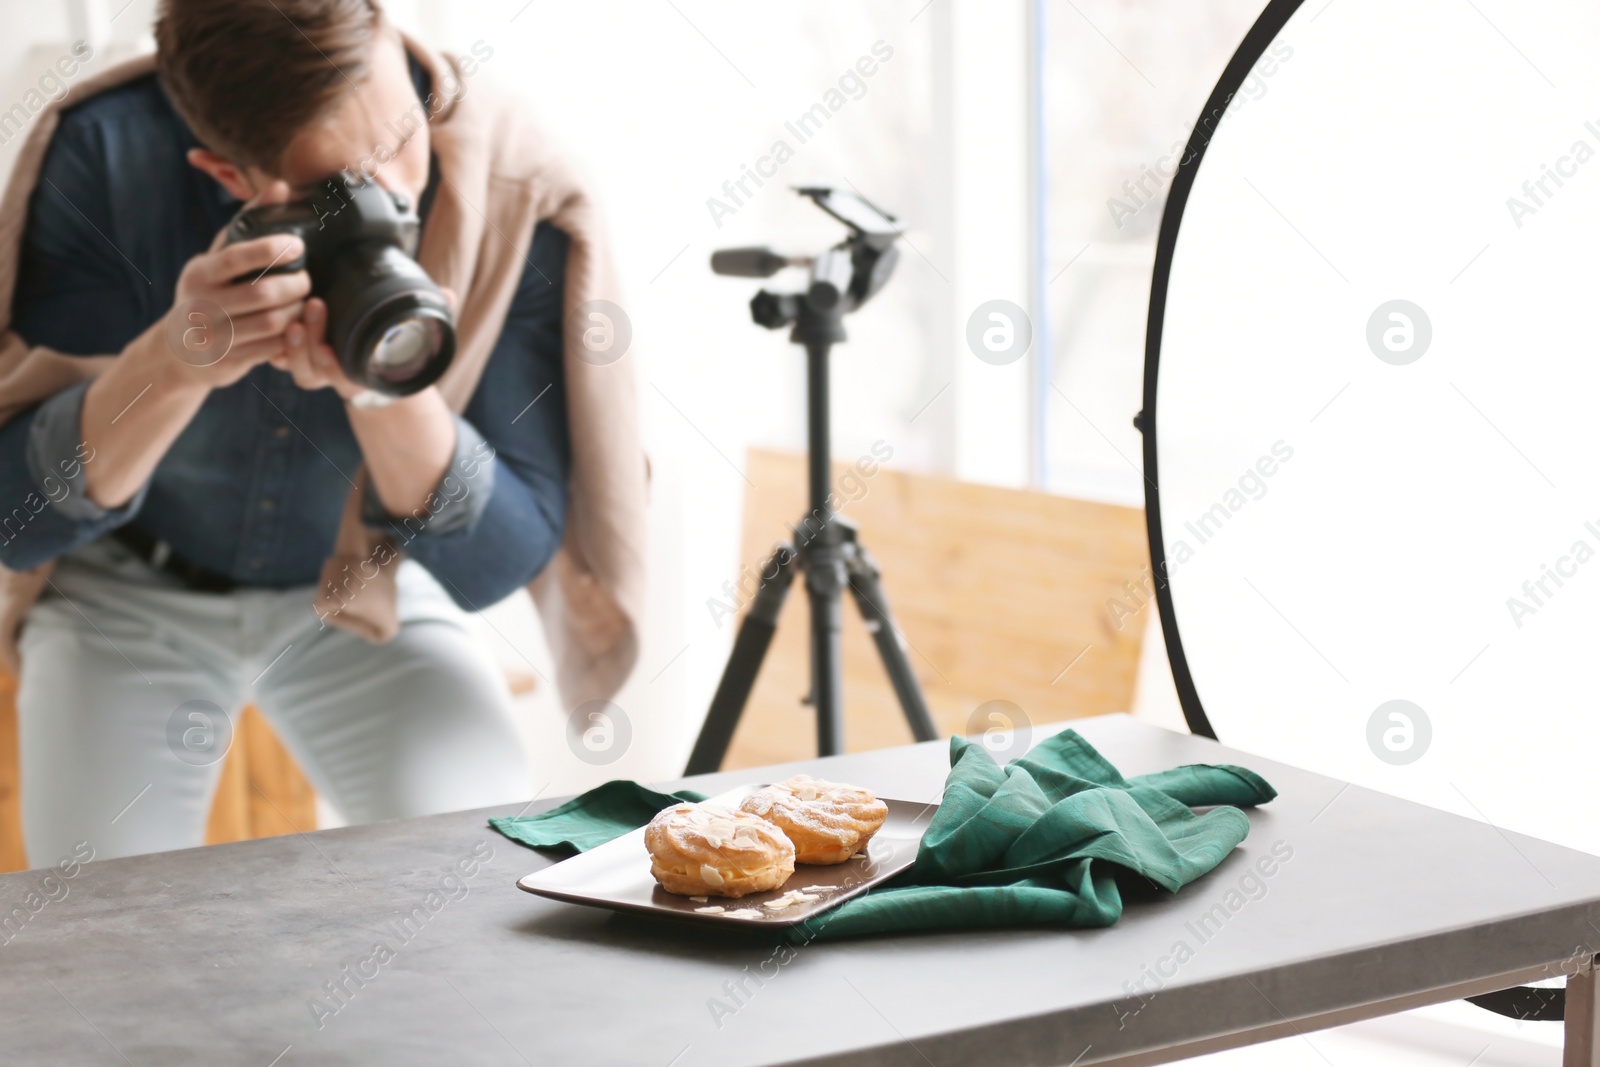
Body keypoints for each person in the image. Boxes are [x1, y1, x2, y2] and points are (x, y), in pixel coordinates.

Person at [0, 0, 647, 865]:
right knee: (93, 928)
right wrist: (173, 362)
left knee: (485, 869)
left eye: (398, 141)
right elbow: (19, 517)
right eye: (341, 190)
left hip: (367, 583)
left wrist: (388, 395)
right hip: (126, 593)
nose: (400, 200)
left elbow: (504, 556)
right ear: (228, 175)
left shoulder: (511, 179)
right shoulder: (105, 150)